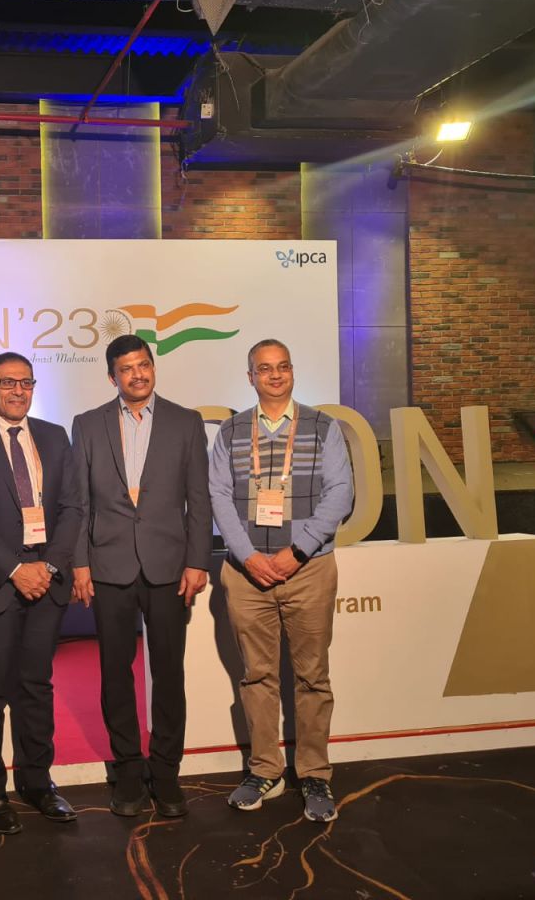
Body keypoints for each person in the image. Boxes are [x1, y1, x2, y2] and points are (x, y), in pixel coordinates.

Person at [208, 338, 353, 823]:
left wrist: (297, 551)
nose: (275, 375)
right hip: (247, 575)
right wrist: (249, 557)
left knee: (313, 677)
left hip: (309, 570)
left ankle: (314, 773)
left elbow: (340, 493)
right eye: (265, 368)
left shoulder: (323, 427)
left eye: (283, 366)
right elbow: (218, 496)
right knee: (257, 676)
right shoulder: (230, 431)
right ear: (250, 376)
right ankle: (265, 769)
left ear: (292, 372)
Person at [70, 334, 212, 819]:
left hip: (169, 567)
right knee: (115, 672)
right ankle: (128, 770)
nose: (138, 374)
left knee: (169, 671)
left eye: (144, 364)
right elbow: (79, 502)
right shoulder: (87, 424)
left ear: (153, 366)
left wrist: (198, 560)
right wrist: (80, 562)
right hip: (108, 567)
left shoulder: (186, 422)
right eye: (127, 368)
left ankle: (166, 772)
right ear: (113, 377)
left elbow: (199, 498)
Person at [0, 351, 81, 834]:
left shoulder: (54, 435)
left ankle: (38, 782)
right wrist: (14, 570)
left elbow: (72, 508)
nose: (18, 391)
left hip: (46, 581)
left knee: (36, 687)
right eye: (7, 383)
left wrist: (48, 566)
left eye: (26, 382)